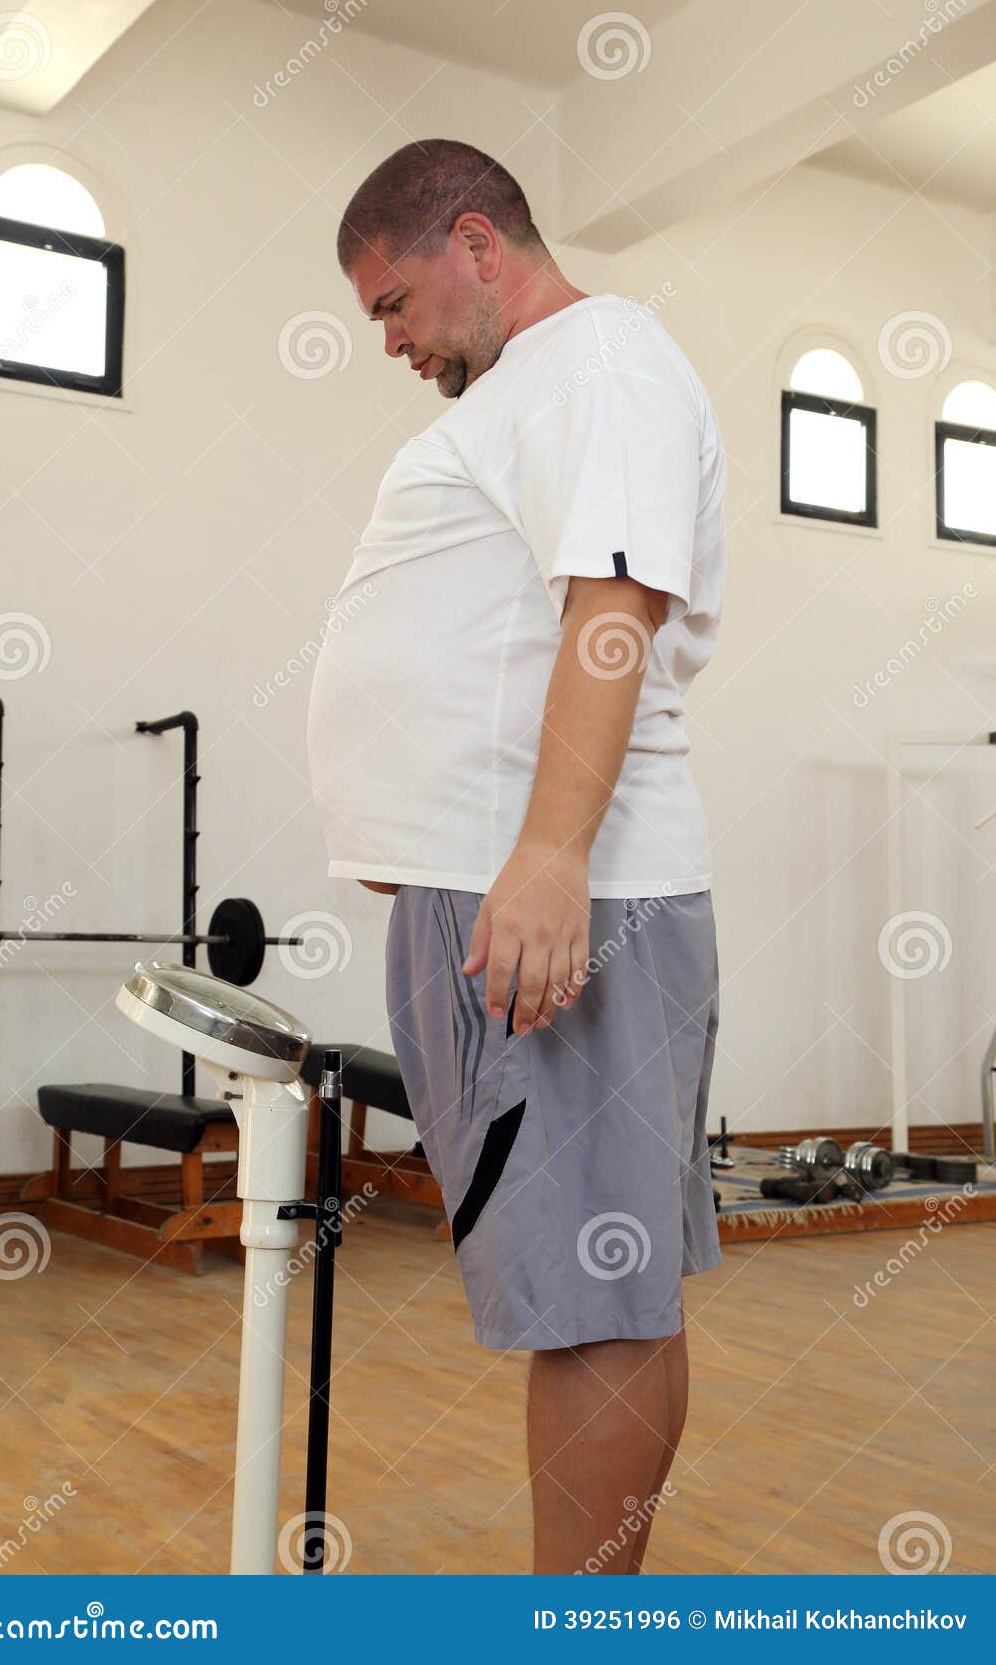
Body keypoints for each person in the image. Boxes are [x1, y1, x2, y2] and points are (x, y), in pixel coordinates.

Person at [306, 138, 727, 1575]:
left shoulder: (596, 362)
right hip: (509, 895)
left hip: (564, 903)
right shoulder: (543, 392)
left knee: (596, 1301)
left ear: (477, 243)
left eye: (396, 303)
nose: (394, 342)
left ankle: (573, 1626)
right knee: (585, 1290)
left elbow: (612, 605)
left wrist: (548, 856)